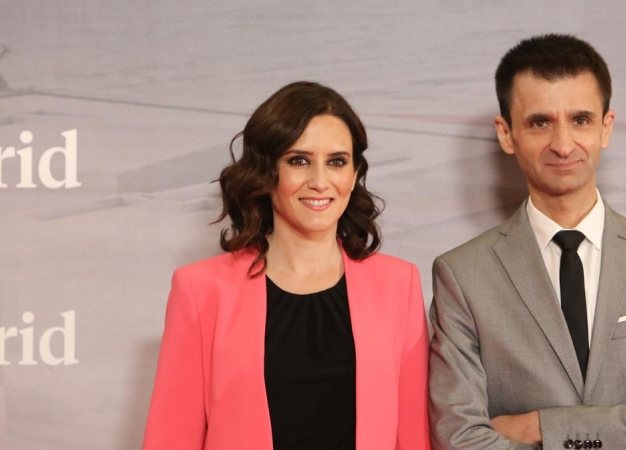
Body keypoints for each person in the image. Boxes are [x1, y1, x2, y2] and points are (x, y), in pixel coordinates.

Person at [428, 34, 626, 449]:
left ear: (606, 127)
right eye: (540, 122)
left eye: (580, 120)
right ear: (506, 134)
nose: (563, 145)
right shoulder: (462, 276)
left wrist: (535, 428)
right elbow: (459, 439)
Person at [143, 81, 430, 450]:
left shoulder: (398, 284)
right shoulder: (200, 290)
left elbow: (414, 437)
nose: (319, 181)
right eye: (299, 160)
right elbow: (171, 439)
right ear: (267, 172)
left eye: (337, 162)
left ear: (355, 173)